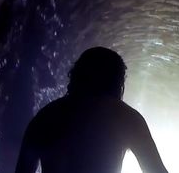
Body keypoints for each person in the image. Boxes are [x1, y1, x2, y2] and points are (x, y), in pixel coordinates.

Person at [15, 47, 168, 173]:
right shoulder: (126, 118)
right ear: (118, 82)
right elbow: (156, 170)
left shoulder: (45, 117)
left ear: (75, 75)